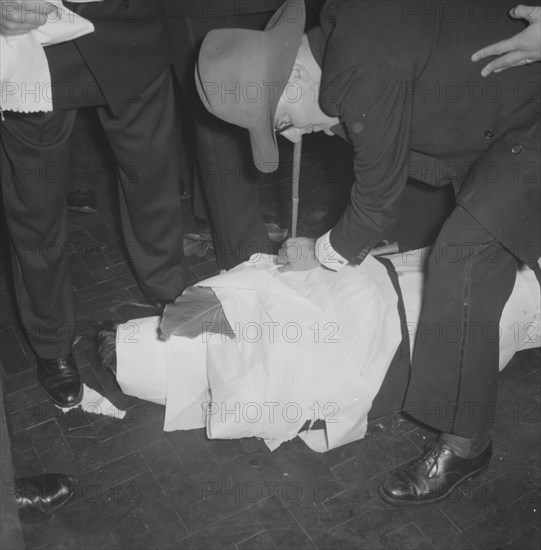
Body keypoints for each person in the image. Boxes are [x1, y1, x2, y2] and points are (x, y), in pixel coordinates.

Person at [194, 0, 540, 504]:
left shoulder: (361, 66)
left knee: (462, 259)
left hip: (528, 110)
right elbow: (393, 133)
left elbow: (377, 203)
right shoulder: (345, 35)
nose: (295, 134)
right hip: (501, 113)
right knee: (486, 239)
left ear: (290, 83)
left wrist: (324, 251)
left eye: (284, 120)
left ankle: (465, 443)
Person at [0, 0, 186, 408]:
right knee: (35, 207)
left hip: (131, 27)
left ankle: (169, 290)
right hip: (34, 44)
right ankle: (51, 341)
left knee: (153, 176)